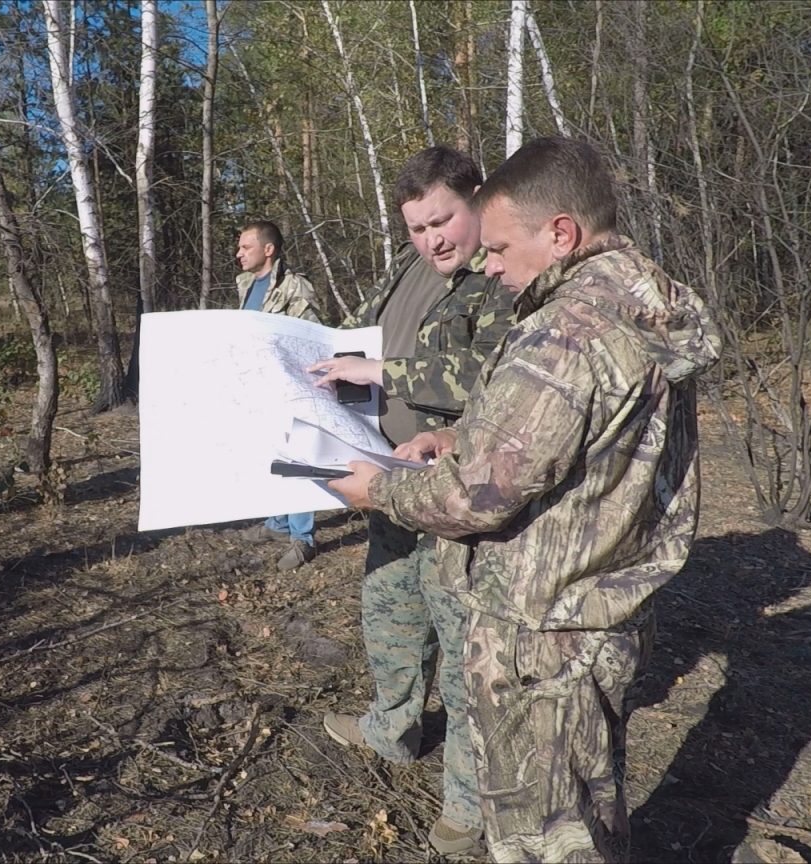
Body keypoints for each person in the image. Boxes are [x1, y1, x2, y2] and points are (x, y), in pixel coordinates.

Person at [330, 137, 720, 862]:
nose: (494, 263)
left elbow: (477, 498)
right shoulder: (638, 304)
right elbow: (586, 447)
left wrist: (377, 488)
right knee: (587, 816)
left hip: (544, 632)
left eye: (503, 246)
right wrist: (464, 439)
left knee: (550, 839)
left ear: (561, 233)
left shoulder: (567, 332)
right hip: (601, 610)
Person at [306, 146, 514, 855]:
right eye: (419, 228)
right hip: (389, 483)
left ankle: (469, 798)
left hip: (460, 499)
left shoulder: (505, 275)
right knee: (389, 612)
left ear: (478, 198)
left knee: (463, 653)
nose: (434, 239)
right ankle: (391, 727)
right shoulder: (410, 269)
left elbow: (489, 377)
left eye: (443, 220)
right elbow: (361, 336)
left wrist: (379, 369)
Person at [232, 220, 324, 571]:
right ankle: (278, 522)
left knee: (298, 457)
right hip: (257, 386)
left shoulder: (294, 287)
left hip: (289, 388)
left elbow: (310, 337)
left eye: (246, 247)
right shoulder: (245, 284)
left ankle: (304, 539)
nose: (239, 254)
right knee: (269, 452)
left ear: (268, 250)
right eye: (239, 248)